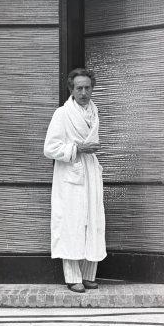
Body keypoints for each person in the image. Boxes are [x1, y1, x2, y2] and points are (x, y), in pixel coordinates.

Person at [43, 68, 106, 293]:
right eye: (79, 88)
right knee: (72, 223)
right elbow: (49, 149)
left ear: (92, 88)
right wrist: (78, 148)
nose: (83, 92)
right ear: (71, 89)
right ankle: (72, 277)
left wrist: (87, 150)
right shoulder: (62, 114)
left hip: (89, 171)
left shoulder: (93, 111)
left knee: (93, 220)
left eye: (87, 87)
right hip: (71, 174)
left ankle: (89, 274)